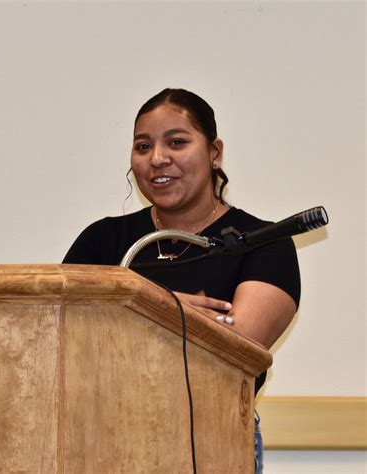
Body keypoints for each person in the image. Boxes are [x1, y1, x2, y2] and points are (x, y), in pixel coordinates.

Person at [63, 88, 301, 473]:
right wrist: (166, 308)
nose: (158, 159)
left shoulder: (263, 244)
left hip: (211, 445)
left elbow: (228, 353)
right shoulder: (101, 240)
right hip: (98, 445)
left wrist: (115, 311)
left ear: (214, 152)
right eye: (143, 146)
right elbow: (61, 340)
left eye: (177, 142)